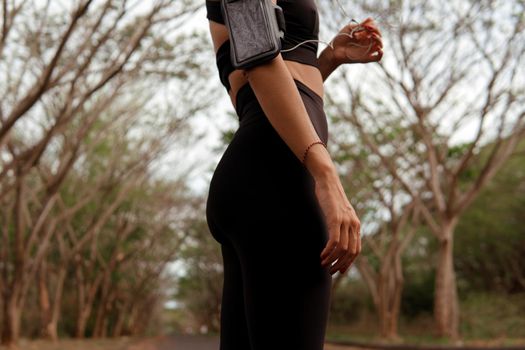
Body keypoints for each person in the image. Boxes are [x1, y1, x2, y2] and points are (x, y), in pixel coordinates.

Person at [204, 0, 383, 349]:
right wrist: (326, 176)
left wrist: (329, 58)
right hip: (277, 179)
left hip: (258, 176)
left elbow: (263, 82)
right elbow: (258, 61)